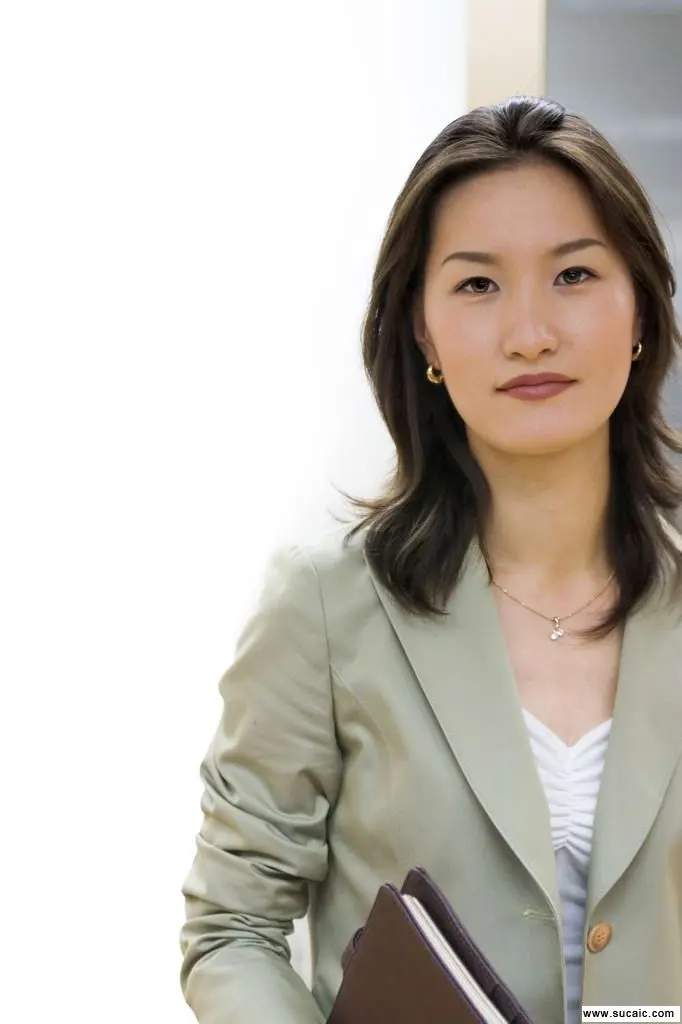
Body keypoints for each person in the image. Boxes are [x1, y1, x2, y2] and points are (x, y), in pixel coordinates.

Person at [179, 96, 682, 1024]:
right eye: (478, 285)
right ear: (422, 331)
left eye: (574, 274)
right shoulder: (327, 601)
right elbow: (232, 929)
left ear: (642, 305)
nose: (530, 332)